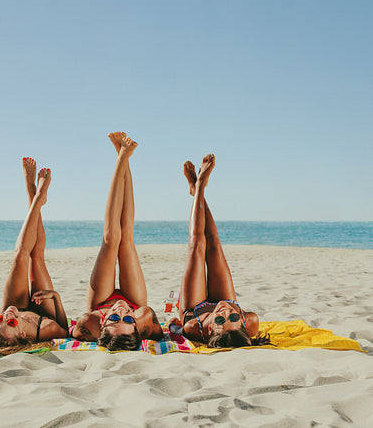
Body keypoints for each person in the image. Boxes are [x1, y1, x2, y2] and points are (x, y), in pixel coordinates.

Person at [71, 132, 163, 350]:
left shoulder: (88, 324)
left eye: (114, 320)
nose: (122, 313)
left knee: (111, 238)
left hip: (100, 302)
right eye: (128, 321)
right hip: (136, 300)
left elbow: (71, 330)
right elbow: (159, 326)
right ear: (136, 326)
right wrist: (136, 314)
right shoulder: (143, 318)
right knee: (126, 238)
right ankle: (123, 156)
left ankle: (121, 157)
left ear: (103, 323)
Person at [172, 154, 269, 348]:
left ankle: (198, 187)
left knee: (197, 246)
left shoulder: (194, 327)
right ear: (241, 322)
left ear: (209, 330)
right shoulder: (251, 321)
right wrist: (229, 311)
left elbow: (175, 330)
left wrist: (176, 325)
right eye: (232, 316)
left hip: (195, 308)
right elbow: (230, 311)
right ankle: (197, 189)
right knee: (214, 245)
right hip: (222, 296)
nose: (224, 312)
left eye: (219, 321)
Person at [0, 158, 68, 354]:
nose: (5, 315)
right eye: (9, 322)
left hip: (18, 302)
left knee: (20, 255)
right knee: (36, 256)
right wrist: (56, 297)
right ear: (22, 335)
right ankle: (36, 197)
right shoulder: (45, 330)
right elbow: (65, 331)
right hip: (43, 312)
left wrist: (6, 318)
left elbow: (3, 318)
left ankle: (33, 194)